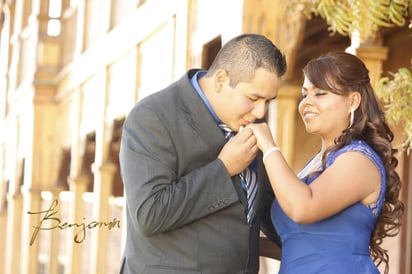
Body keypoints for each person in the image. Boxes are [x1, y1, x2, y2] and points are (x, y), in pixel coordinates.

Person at [118, 33, 287, 274]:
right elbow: (149, 214)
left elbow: (266, 209)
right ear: (221, 80)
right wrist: (224, 168)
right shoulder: (152, 117)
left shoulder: (247, 124)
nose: (261, 111)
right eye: (254, 98)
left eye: (269, 100)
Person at [247, 52, 404, 274]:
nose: (306, 103)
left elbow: (303, 207)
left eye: (320, 93)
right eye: (304, 95)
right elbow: (305, 244)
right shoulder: (315, 165)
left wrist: (269, 147)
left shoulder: (358, 160)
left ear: (353, 101)